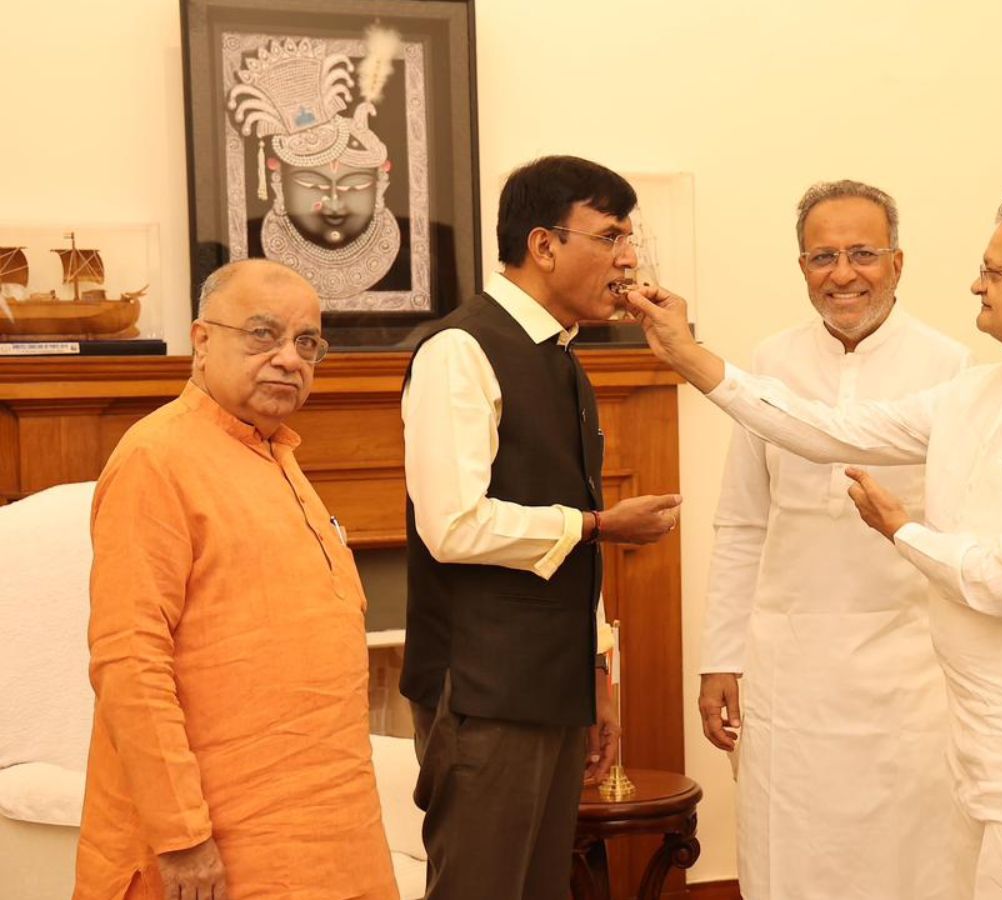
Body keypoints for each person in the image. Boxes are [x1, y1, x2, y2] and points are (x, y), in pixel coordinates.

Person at [633, 188, 1002, 900]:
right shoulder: (984, 391)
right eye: (823, 256)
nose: (977, 285)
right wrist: (692, 357)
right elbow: (827, 431)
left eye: (994, 271)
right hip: (968, 722)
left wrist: (901, 529)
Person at [401, 155, 683, 900]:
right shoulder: (460, 350)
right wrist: (599, 524)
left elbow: (564, 537)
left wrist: (596, 674)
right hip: (483, 689)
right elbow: (452, 526)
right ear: (544, 245)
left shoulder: (562, 358)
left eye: (629, 239)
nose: (628, 259)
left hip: (553, 682)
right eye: (611, 236)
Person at [76, 259, 398, 900]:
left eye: (307, 343)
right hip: (223, 845)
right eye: (262, 334)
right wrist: (182, 836)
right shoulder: (155, 459)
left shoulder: (276, 454)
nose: (289, 359)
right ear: (201, 341)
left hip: (337, 834)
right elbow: (129, 660)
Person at [698, 179, 971, 899]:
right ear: (801, 268)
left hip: (909, 669)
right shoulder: (768, 363)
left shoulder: (951, 368)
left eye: (862, 254)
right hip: (791, 667)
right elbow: (743, 520)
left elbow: (959, 533)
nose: (843, 274)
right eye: (823, 257)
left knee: (910, 859)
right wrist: (721, 657)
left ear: (898, 262)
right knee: (791, 851)